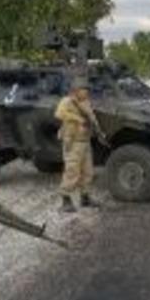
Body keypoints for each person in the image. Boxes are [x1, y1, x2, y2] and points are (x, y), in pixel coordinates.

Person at [54, 75, 103, 213]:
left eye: (87, 89)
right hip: (73, 141)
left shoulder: (86, 102)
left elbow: (91, 118)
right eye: (84, 89)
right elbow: (59, 113)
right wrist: (77, 119)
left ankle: (85, 197)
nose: (86, 92)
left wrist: (98, 131)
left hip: (85, 141)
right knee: (72, 171)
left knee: (87, 172)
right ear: (76, 90)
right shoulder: (67, 101)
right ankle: (65, 199)